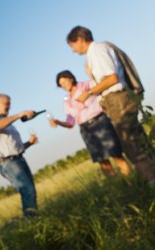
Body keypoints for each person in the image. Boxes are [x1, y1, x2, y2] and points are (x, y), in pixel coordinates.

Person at [66, 25, 155, 185]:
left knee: (131, 144)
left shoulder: (97, 51)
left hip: (117, 99)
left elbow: (111, 78)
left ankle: (151, 180)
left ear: (79, 39)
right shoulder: (98, 51)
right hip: (117, 99)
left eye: (72, 46)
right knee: (139, 140)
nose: (73, 50)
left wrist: (89, 92)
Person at [50, 70, 131, 176]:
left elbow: (101, 85)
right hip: (85, 129)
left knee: (115, 154)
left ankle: (131, 179)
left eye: (64, 82)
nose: (63, 86)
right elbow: (70, 123)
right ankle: (116, 183)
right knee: (101, 160)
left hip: (99, 121)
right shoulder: (67, 101)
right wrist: (58, 122)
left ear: (71, 78)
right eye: (61, 85)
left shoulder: (86, 85)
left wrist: (89, 92)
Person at [0, 93, 38, 217]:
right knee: (27, 190)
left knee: (30, 190)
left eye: (10, 104)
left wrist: (30, 143)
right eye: (6, 104)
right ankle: (31, 222)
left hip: (19, 159)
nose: (9, 107)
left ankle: (33, 219)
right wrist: (20, 115)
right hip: (8, 163)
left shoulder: (9, 124)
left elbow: (16, 148)